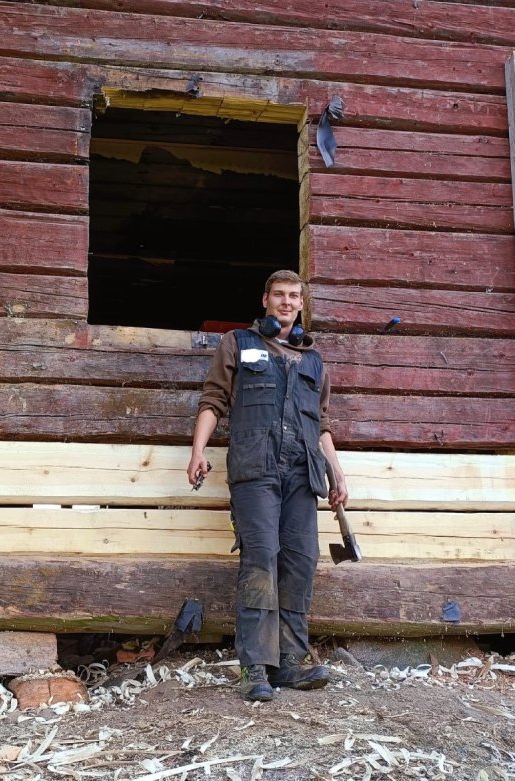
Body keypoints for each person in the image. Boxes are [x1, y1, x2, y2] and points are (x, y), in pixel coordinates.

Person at [186, 270, 348, 702]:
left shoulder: (313, 360)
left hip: (302, 474)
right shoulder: (238, 343)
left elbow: (322, 425)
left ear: (302, 303)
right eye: (279, 295)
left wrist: (337, 472)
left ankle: (289, 663)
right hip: (255, 469)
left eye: (294, 296)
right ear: (265, 300)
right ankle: (255, 667)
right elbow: (214, 400)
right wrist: (198, 450)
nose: (287, 302)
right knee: (261, 559)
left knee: (300, 561)